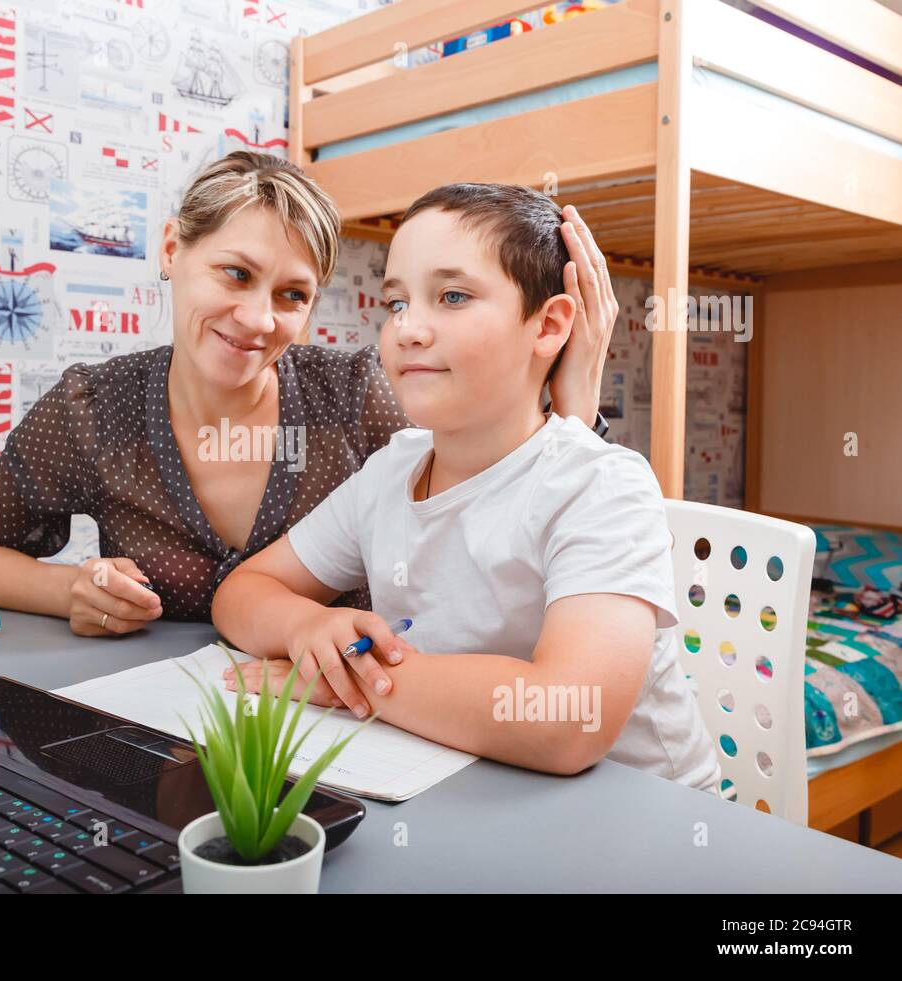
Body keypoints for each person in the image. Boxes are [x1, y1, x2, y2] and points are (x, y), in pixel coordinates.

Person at [0, 152, 620, 638]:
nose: (258, 319)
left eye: (291, 295)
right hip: (155, 726)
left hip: (342, 726)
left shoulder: (352, 397)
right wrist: (68, 588)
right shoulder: (95, 408)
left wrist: (575, 395)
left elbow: (500, 500)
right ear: (172, 250)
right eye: (234, 274)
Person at [211, 183, 722, 792]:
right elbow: (243, 590)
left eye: (453, 296)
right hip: (472, 777)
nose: (409, 329)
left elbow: (569, 716)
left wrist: (356, 681)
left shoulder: (600, 484)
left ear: (550, 325)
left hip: (644, 820)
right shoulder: (389, 472)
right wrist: (306, 631)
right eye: (397, 302)